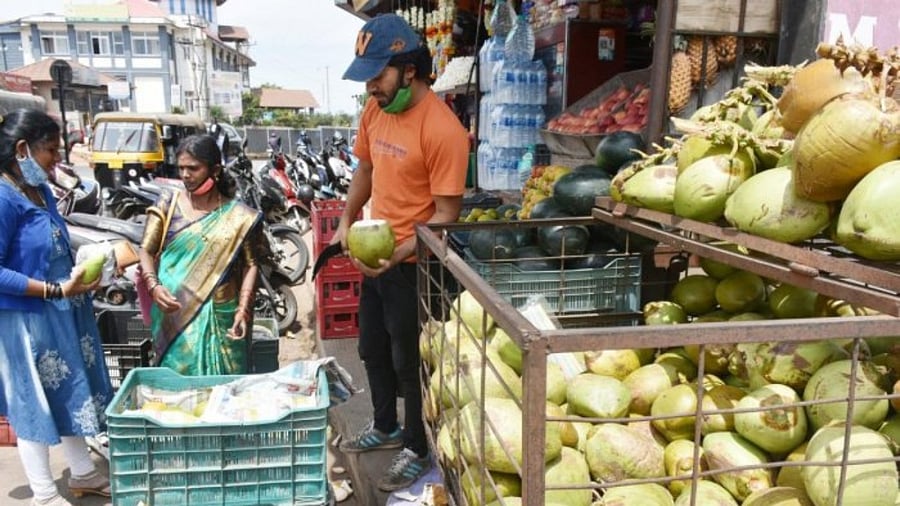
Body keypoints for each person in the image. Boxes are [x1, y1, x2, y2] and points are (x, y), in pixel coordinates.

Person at [333, 14, 469, 492]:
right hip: (376, 253)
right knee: (371, 347)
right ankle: (386, 425)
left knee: (410, 359)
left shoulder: (443, 130)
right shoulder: (376, 111)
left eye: (377, 75)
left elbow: (447, 214)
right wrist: (346, 221)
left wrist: (403, 250)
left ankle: (416, 444)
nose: (371, 87)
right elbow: (365, 170)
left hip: (416, 264)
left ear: (408, 70)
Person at [0, 108, 114, 506]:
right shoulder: (2, 198)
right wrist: (53, 290)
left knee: (68, 391)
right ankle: (43, 493)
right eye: (50, 150)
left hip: (62, 310)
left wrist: (86, 270)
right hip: (26, 319)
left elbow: (55, 243)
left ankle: (82, 472)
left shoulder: (41, 189)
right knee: (31, 400)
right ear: (21, 150)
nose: (57, 159)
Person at [138, 134, 263, 376]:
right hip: (173, 313)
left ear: (215, 170)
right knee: (179, 394)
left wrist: (243, 310)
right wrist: (154, 287)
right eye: (181, 168)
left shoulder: (239, 216)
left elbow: (251, 265)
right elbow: (146, 250)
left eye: (193, 168)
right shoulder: (168, 203)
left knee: (226, 393)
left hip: (222, 312)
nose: (185, 175)